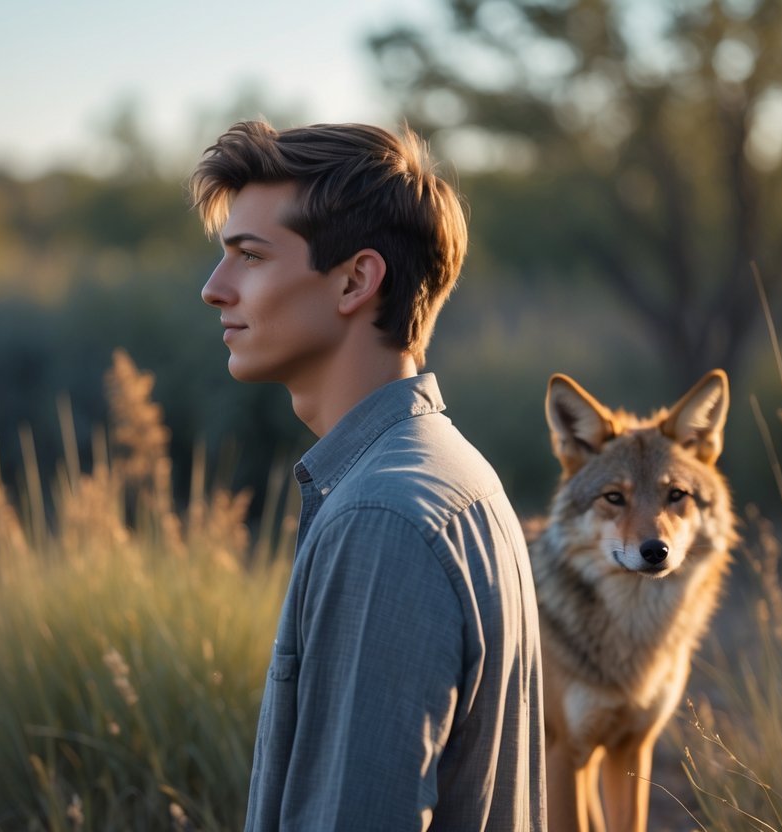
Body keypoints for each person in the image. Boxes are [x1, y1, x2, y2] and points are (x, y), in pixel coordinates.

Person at [191, 120, 546, 831]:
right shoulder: (451, 475)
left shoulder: (381, 519)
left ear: (355, 279)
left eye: (249, 257)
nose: (213, 289)